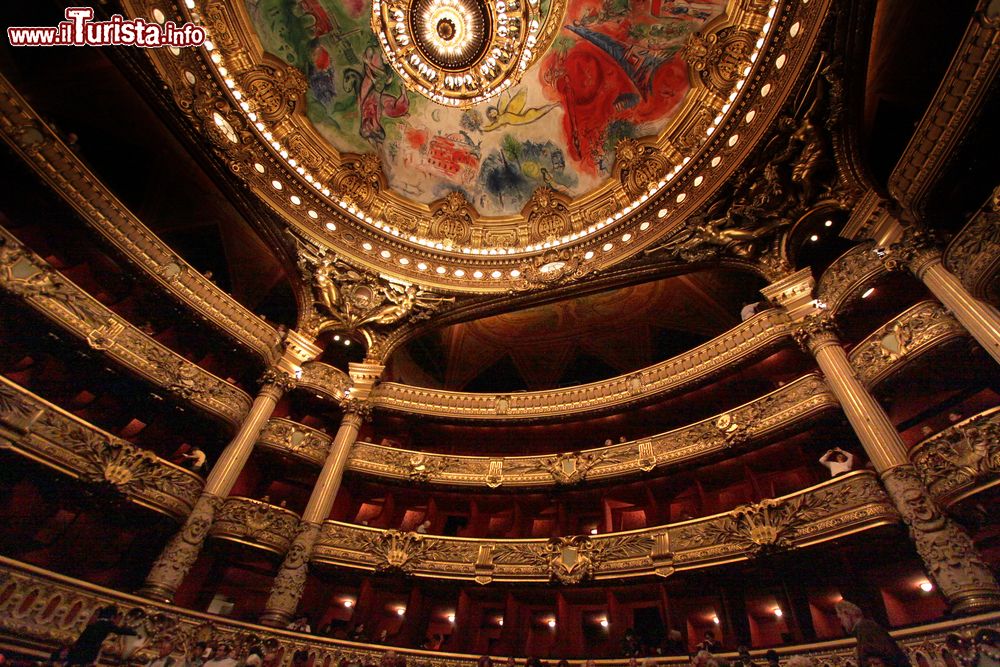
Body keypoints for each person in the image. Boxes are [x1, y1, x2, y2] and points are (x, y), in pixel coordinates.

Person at [835, 600, 911, 667]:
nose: (841, 623)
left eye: (841, 618)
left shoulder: (866, 629)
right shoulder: (866, 627)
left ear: (847, 614)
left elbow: (876, 661)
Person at [66, 605, 137, 666]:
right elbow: (120, 631)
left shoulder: (93, 624)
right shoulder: (107, 625)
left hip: (80, 648)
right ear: (112, 616)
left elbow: (81, 638)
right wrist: (134, 632)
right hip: (90, 650)